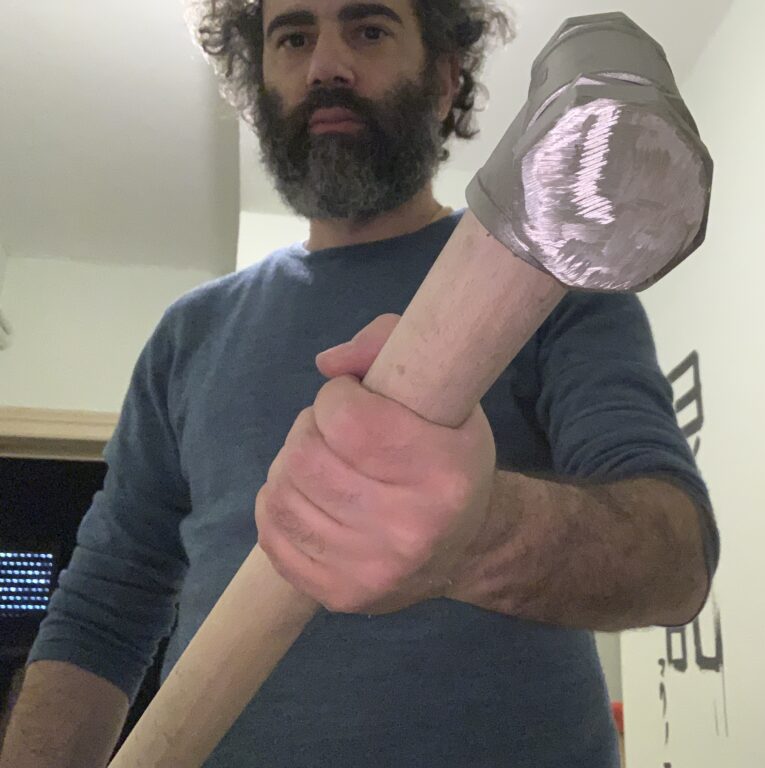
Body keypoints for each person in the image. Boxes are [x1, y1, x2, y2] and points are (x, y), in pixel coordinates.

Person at [0, 1, 719, 766]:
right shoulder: (190, 335)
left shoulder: (556, 281)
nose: (325, 65)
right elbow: (104, 604)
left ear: (446, 78)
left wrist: (480, 536)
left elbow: (675, 560)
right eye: (293, 37)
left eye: (369, 29)